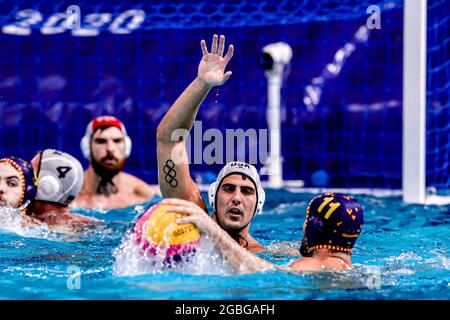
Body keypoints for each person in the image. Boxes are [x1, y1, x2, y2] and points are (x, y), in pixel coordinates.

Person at [156, 34, 265, 253]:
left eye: (246, 191)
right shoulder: (192, 218)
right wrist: (202, 83)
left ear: (258, 204)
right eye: (228, 189)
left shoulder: (264, 256)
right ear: (214, 196)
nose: (236, 198)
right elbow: (168, 139)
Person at [163, 192, 364, 273]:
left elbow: (263, 272)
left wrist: (212, 230)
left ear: (314, 228)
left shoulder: (314, 264)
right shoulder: (353, 269)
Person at [74, 115, 160, 210]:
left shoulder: (143, 195)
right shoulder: (71, 196)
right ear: (87, 147)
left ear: (127, 147)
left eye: (117, 141)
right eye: (101, 141)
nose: (110, 149)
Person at [26, 149, 100, 233]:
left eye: (30, 171)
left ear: (47, 186)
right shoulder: (89, 224)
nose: (24, 176)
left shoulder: (28, 225)